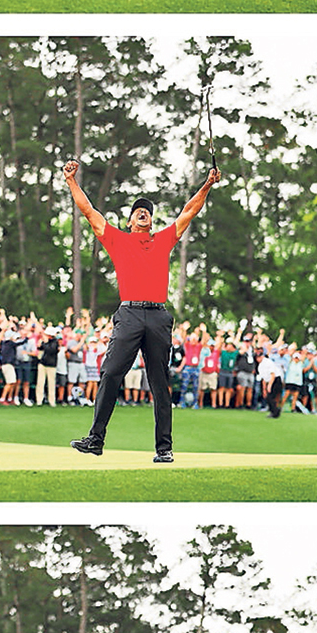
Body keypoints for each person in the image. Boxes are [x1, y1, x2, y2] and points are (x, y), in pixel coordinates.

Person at [61, 159, 219, 461]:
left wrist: (207, 184)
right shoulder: (117, 240)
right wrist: (71, 180)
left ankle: (164, 449)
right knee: (110, 373)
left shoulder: (162, 240)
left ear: (150, 221)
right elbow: (89, 211)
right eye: (137, 210)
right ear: (130, 222)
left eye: (146, 210)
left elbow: (189, 211)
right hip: (129, 314)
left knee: (160, 383)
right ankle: (96, 439)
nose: (142, 211)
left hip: (158, 316)